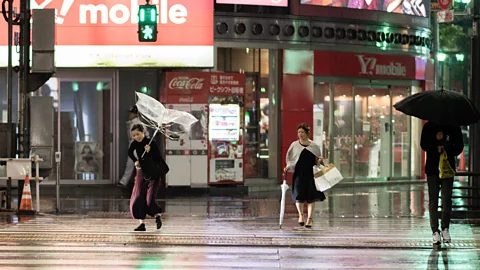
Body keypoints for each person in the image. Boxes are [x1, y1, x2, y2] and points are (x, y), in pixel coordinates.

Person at [420, 121, 464, 245]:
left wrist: (446, 145)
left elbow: (458, 147)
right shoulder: (429, 127)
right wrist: (436, 144)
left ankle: (445, 228)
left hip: (447, 169)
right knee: (433, 201)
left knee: (446, 199)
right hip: (433, 169)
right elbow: (423, 145)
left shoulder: (453, 127)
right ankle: (435, 231)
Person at [284, 123, 326, 228]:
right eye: (298, 132)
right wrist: (288, 167)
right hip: (299, 174)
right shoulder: (294, 145)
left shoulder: (314, 146)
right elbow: (290, 158)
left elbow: (319, 161)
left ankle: (310, 219)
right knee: (299, 196)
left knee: (311, 197)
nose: (300, 134)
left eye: (302, 132)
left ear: (307, 133)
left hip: (311, 175)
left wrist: (320, 161)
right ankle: (301, 215)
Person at [128, 124, 166, 231]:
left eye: (138, 134)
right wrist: (135, 161)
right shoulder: (134, 144)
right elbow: (130, 152)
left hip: (153, 174)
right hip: (141, 173)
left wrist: (150, 151)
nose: (136, 137)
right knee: (138, 197)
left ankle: (157, 215)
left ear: (143, 132)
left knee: (149, 199)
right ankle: (142, 224)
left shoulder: (151, 143)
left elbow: (158, 158)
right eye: (134, 135)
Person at [119, 105, 150, 188]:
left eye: (131, 113)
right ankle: (124, 182)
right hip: (132, 145)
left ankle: (142, 182)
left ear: (135, 114)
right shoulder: (130, 123)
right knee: (130, 164)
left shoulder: (139, 123)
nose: (129, 115)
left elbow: (146, 134)